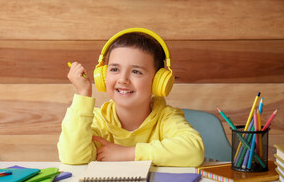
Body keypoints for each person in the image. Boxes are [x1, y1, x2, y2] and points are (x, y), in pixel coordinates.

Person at [57, 28, 204, 166]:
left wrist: (127, 153)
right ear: (103, 76)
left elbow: (194, 151)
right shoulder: (97, 120)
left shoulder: (166, 118)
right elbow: (72, 157)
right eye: (114, 69)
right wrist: (83, 93)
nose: (123, 79)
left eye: (136, 72)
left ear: (158, 82)